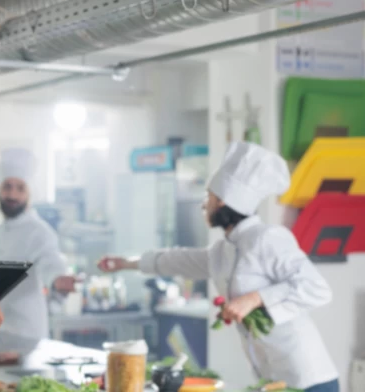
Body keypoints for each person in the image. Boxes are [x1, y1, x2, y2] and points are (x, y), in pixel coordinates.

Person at [99, 141, 339, 392]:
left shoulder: (267, 238)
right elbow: (176, 260)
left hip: (309, 379)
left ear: (224, 201)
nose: (204, 204)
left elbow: (317, 288)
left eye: (208, 196)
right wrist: (125, 263)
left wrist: (254, 299)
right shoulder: (222, 251)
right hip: (272, 380)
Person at [0, 148, 76, 355]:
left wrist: (57, 279)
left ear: (29, 193)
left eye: (20, 188)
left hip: (27, 335)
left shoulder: (39, 231)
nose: (12, 194)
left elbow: (50, 260)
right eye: (7, 187)